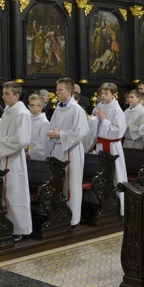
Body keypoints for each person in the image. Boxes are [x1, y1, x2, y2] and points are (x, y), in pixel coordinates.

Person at [0, 81, 32, 241]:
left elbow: (23, 140)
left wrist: (1, 141)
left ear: (16, 95)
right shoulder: (7, 112)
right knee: (4, 192)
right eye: (3, 93)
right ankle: (5, 225)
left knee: (14, 193)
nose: (3, 96)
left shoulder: (22, 113)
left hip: (14, 159)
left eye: (7, 93)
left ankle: (19, 229)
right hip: (3, 156)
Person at [47, 77, 90, 227]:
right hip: (58, 149)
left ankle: (73, 218)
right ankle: (60, 214)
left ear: (69, 92)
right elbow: (52, 127)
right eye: (57, 89)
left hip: (70, 150)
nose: (56, 92)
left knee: (71, 183)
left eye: (60, 90)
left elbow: (81, 132)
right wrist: (53, 134)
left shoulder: (76, 110)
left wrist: (60, 135)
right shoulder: (59, 108)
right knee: (60, 183)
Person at [93, 82, 128, 215]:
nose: (103, 96)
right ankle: (103, 203)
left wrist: (103, 121)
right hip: (101, 145)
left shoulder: (117, 110)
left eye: (106, 93)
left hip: (112, 146)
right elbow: (94, 125)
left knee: (115, 175)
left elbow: (118, 131)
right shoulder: (100, 106)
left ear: (113, 94)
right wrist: (94, 119)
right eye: (101, 93)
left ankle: (119, 206)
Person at [26, 93, 50, 161]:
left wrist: (28, 154)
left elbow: (43, 146)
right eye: (29, 105)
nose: (30, 107)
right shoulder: (29, 119)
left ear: (40, 107)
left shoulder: (45, 123)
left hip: (36, 158)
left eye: (32, 105)